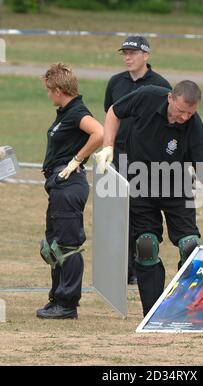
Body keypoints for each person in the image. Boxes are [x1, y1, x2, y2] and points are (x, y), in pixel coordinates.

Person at [95, 80, 203, 317]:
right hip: (139, 184)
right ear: (170, 98)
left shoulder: (193, 126)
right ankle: (152, 314)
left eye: (190, 113)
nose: (184, 117)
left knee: (190, 246)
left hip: (177, 187)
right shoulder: (146, 97)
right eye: (181, 110)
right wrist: (108, 146)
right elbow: (114, 111)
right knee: (146, 245)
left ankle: (186, 309)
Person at [37, 63, 103, 319]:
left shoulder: (77, 112)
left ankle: (67, 305)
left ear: (58, 89)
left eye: (49, 90)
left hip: (69, 185)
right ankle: (57, 299)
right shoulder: (65, 112)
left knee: (67, 246)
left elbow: (99, 133)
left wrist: (77, 159)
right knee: (53, 246)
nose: (48, 95)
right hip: (58, 185)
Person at [104, 35, 172, 285]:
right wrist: (106, 148)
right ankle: (118, 266)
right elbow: (109, 115)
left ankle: (136, 266)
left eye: (133, 53)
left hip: (145, 159)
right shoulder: (115, 83)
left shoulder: (161, 85)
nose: (128, 57)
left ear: (146, 55)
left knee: (139, 212)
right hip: (118, 154)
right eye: (124, 53)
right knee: (116, 212)